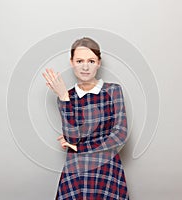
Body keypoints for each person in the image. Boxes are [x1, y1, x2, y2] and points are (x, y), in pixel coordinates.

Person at [42, 37, 130, 200]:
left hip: (107, 170)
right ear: (72, 62)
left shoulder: (113, 91)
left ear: (98, 63)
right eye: (79, 60)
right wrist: (63, 97)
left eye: (91, 60)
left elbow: (119, 136)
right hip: (76, 170)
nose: (85, 66)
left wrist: (80, 148)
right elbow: (72, 137)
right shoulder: (67, 96)